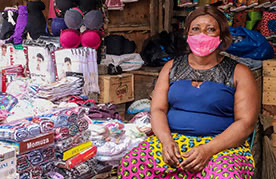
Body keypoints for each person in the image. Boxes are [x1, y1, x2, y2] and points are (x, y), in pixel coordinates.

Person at [118, 5, 260, 179]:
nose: (202, 34)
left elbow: (245, 123)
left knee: (225, 175)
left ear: (222, 36)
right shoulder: (171, 68)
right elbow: (158, 110)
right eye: (196, 29)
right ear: (187, 35)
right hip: (173, 142)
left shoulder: (239, 72)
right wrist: (166, 141)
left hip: (221, 147)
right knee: (133, 163)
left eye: (211, 29)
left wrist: (208, 149)